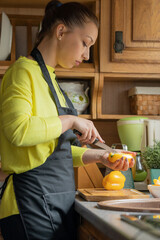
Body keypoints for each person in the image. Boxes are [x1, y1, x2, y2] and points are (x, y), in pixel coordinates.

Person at [0, 1, 135, 240]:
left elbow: (53, 151)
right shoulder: (22, 72)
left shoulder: (52, 81)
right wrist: (71, 120)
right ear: (61, 31)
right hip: (29, 201)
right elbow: (19, 131)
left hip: (55, 200)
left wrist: (100, 156)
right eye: (85, 43)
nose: (86, 54)